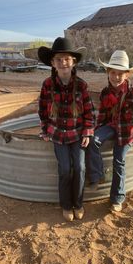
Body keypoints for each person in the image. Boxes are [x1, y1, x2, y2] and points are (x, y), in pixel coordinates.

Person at [38, 37, 95, 221]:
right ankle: (66, 205)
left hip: (77, 134)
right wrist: (45, 128)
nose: (63, 63)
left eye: (67, 59)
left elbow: (89, 112)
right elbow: (42, 109)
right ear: (53, 64)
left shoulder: (81, 85)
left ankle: (78, 203)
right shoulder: (47, 85)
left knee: (79, 167)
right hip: (57, 134)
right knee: (64, 169)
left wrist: (87, 131)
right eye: (59, 59)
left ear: (73, 62)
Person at [87, 50, 133, 212]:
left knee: (118, 161)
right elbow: (102, 114)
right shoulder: (105, 93)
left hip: (126, 130)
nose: (116, 77)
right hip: (111, 126)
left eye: (121, 74)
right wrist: (96, 130)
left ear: (127, 75)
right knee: (92, 140)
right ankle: (97, 176)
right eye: (113, 73)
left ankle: (117, 198)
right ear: (108, 73)